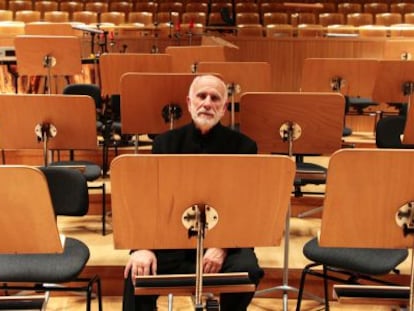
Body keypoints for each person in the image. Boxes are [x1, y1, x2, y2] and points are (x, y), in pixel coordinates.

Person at [122, 74, 264, 311]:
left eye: (215, 98)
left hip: (224, 242)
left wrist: (223, 246)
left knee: (248, 271)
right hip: (171, 242)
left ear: (224, 107)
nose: (207, 103)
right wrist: (142, 247)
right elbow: (150, 201)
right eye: (201, 96)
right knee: (136, 272)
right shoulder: (165, 144)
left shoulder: (244, 147)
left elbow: (244, 206)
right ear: (189, 103)